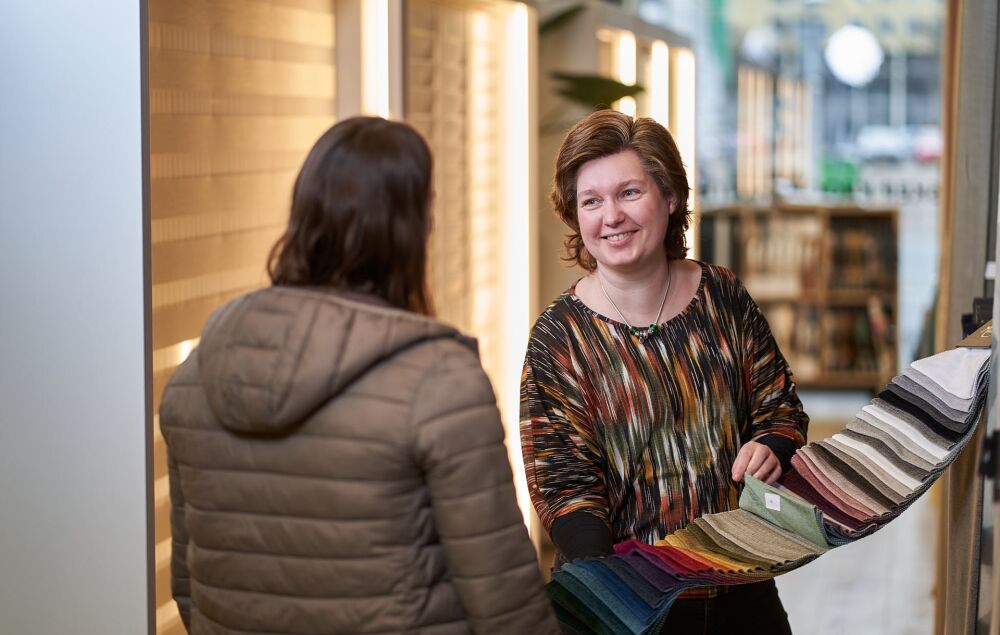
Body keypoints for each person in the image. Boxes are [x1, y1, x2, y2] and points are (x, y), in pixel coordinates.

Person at [160, 116, 559, 635]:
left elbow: (190, 589)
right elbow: (507, 610)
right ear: (414, 228)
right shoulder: (439, 382)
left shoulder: (194, 378)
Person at [520, 109, 808, 634]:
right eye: (592, 201)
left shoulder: (722, 296)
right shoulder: (559, 337)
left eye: (630, 192)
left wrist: (773, 445)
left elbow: (781, 408)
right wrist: (615, 594)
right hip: (622, 603)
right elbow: (563, 487)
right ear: (575, 216)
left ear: (670, 197)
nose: (611, 217)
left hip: (741, 584)